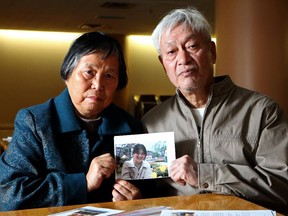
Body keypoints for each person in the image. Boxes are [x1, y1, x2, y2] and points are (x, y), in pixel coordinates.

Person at [142, 7, 288, 214]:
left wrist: (205, 175)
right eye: (171, 52)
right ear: (163, 64)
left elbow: (283, 186)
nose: (183, 59)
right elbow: (151, 193)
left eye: (192, 46)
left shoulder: (262, 111)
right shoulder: (152, 122)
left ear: (212, 51)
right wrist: (134, 195)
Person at [0, 32, 144, 211]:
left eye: (109, 76)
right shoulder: (34, 122)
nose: (98, 85)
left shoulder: (131, 126)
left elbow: (152, 192)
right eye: (89, 72)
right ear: (67, 74)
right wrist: (82, 183)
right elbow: (9, 195)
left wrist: (138, 200)